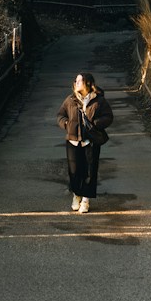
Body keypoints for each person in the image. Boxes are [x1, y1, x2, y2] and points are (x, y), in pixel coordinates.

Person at [58, 72, 112, 213]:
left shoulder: (99, 100)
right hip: (73, 140)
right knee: (74, 171)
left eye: (80, 80)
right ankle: (76, 195)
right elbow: (60, 115)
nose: (76, 83)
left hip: (91, 140)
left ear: (88, 83)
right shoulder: (70, 99)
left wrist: (95, 123)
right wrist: (67, 124)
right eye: (76, 80)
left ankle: (86, 200)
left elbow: (108, 116)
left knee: (89, 170)